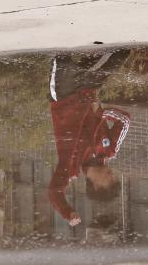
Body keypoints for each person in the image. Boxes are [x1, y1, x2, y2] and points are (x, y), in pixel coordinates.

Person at [47, 52, 132, 226]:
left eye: (110, 181)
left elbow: (54, 193)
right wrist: (101, 113)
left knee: (64, 60)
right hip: (87, 90)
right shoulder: (110, 150)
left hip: (64, 98)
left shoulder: (70, 167)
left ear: (96, 186)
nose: (113, 175)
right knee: (119, 56)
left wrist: (67, 212)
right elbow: (125, 120)